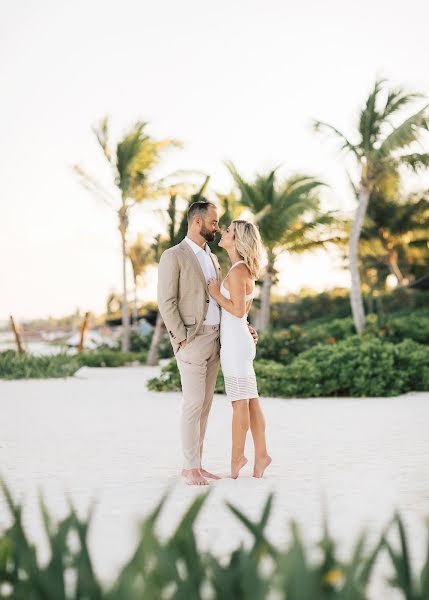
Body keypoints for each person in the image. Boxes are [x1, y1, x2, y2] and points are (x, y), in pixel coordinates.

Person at [157, 202, 258, 485]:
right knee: (192, 404)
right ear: (198, 222)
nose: (217, 227)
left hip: (218, 340)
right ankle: (190, 468)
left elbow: (227, 301)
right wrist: (182, 338)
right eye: (214, 222)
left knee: (205, 406)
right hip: (192, 339)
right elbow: (166, 302)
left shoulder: (212, 256)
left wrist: (242, 326)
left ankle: (197, 465)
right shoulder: (173, 255)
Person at [208, 220, 271, 479]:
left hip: (235, 344)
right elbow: (241, 313)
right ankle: (262, 455)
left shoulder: (236, 271)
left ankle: (237, 458)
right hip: (240, 339)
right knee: (251, 402)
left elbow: (235, 309)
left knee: (239, 404)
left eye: (229, 231)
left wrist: (215, 293)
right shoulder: (242, 269)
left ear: (238, 240)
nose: (223, 233)